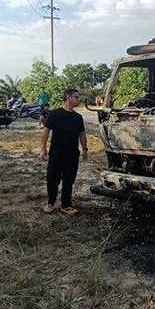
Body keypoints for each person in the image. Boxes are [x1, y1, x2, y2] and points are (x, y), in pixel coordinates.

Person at [39, 88, 88, 216]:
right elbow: (46, 131)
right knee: (52, 179)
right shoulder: (55, 114)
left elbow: (82, 134)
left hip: (72, 154)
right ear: (68, 97)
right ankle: (51, 202)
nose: (78, 99)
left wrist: (85, 149)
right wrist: (43, 149)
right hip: (56, 153)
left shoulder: (78, 117)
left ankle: (66, 205)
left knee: (69, 180)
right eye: (76, 97)